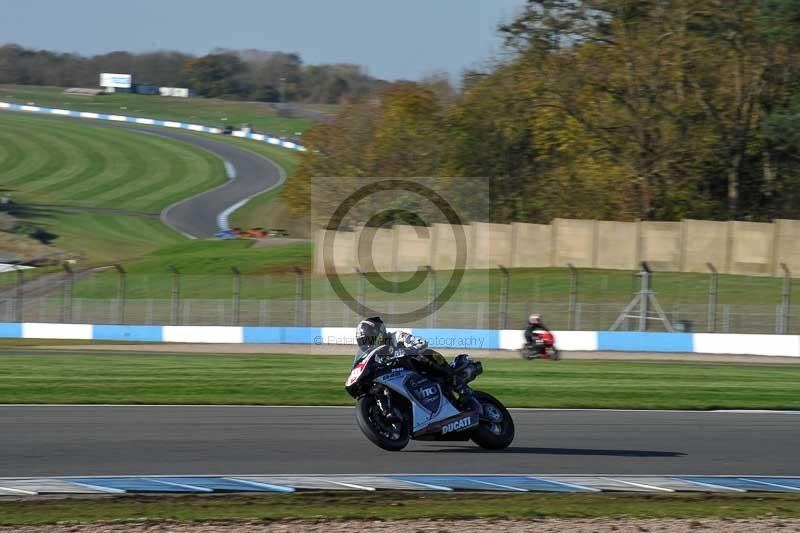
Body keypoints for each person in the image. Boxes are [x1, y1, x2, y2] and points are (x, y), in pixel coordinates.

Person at [355, 316, 452, 381]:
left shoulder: (396, 337)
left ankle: (452, 378)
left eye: (368, 339)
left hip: (415, 372)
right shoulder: (371, 356)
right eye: (363, 341)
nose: (367, 344)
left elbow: (421, 342)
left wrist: (407, 350)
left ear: (378, 333)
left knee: (427, 353)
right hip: (395, 379)